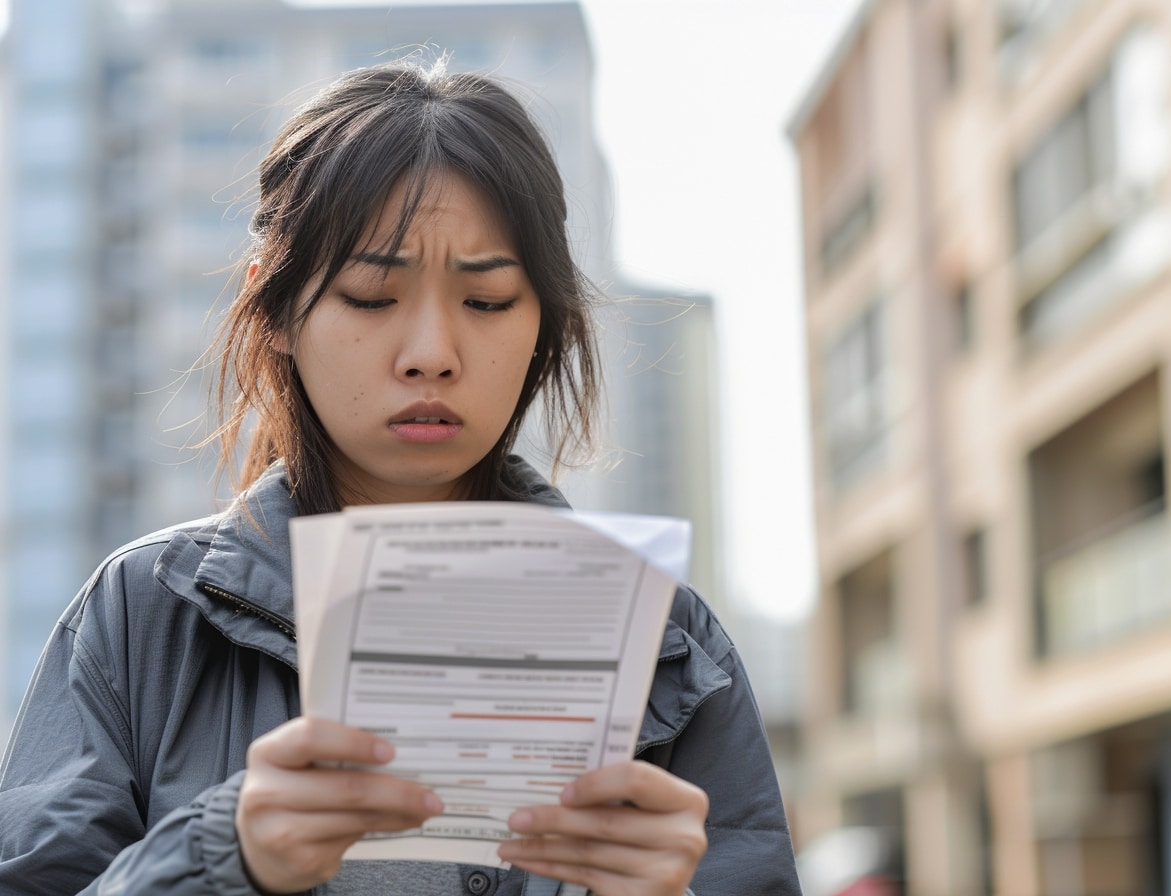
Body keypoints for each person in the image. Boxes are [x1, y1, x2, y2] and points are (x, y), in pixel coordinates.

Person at [0, 60, 800, 896]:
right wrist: (219, 858)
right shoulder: (143, 619)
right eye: (372, 295)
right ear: (273, 310)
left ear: (545, 326)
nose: (431, 353)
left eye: (486, 301)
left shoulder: (669, 641)